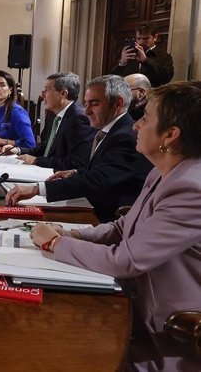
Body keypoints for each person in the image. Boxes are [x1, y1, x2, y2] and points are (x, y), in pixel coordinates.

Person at [29, 81, 201, 371]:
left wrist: (55, 243)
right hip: (133, 302)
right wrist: (73, 232)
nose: (135, 126)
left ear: (170, 135)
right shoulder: (166, 170)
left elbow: (127, 259)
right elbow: (124, 227)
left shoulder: (190, 186)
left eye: (145, 119)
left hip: (167, 335)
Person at [6, 75, 152, 222]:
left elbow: (98, 180)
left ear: (118, 103)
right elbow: (104, 168)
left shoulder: (126, 135)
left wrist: (37, 189)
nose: (86, 111)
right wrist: (75, 172)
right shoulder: (111, 130)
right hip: (91, 208)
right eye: (86, 104)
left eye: (94, 104)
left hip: (107, 219)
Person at [2, 72, 94, 170]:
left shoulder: (79, 118)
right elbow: (45, 149)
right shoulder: (53, 114)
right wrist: (18, 150)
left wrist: (36, 160)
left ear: (63, 93)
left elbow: (77, 163)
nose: (42, 94)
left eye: (47, 90)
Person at [111, 22, 174, 87]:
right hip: (128, 94)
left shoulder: (164, 56)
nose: (141, 42)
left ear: (155, 37)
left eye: (145, 38)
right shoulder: (129, 53)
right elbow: (113, 80)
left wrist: (145, 60)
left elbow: (166, 78)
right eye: (138, 38)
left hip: (151, 94)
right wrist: (122, 63)